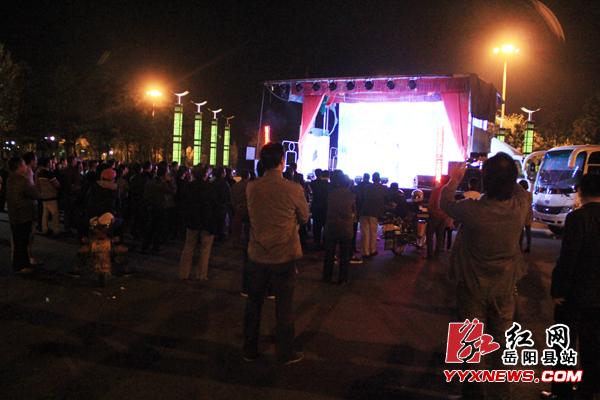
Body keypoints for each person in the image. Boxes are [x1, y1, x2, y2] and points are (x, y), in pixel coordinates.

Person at [440, 152, 529, 400]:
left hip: (472, 285)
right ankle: (501, 391)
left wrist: (454, 179)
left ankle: (474, 392)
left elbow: (445, 203)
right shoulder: (520, 207)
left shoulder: (472, 210)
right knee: (502, 341)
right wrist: (508, 171)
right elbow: (520, 190)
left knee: (471, 340)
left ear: (485, 180)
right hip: (505, 286)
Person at [243, 142, 309, 364]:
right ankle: (285, 352)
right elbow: (305, 217)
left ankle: (249, 349)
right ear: (282, 161)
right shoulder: (293, 189)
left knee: (254, 304)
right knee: (284, 306)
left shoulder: (252, 187)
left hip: (257, 253)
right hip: (284, 254)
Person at [549, 173, 600, 399]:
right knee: (593, 345)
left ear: (580, 191)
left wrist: (558, 290)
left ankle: (562, 392)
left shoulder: (578, 218)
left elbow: (569, 257)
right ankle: (590, 390)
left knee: (564, 345)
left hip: (575, 294)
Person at [179, 165, 218, 281]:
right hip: (207, 221)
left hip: (193, 220)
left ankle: (184, 273)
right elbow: (214, 205)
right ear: (205, 174)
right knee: (205, 249)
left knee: (189, 247)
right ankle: (202, 274)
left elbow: (185, 203)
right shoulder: (210, 187)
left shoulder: (189, 186)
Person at [6, 157, 40, 274]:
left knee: (19, 241)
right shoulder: (22, 180)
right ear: (20, 166)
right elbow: (35, 193)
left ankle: (23, 264)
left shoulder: (10, 178)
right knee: (22, 242)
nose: (26, 167)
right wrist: (34, 183)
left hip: (15, 214)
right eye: (24, 164)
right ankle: (21, 266)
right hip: (24, 215)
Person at [322, 171, 356, 284]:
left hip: (331, 226)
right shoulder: (351, 195)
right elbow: (353, 212)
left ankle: (327, 277)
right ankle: (342, 279)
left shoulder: (330, 194)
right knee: (344, 255)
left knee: (329, 254)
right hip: (345, 228)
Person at [142, 165, 175, 252]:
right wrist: (170, 181)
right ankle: (155, 246)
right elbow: (172, 191)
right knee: (158, 227)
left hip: (151, 207)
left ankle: (145, 246)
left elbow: (145, 195)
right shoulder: (162, 184)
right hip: (160, 207)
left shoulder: (150, 181)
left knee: (150, 227)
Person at [358, 172, 387, 258]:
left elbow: (361, 198)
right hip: (374, 213)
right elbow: (387, 199)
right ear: (379, 179)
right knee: (373, 232)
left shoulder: (367, 187)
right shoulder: (383, 188)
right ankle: (372, 250)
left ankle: (365, 252)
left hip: (364, 212)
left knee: (365, 233)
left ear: (372, 179)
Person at [426, 182, 453, 259]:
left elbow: (430, 204)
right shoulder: (449, 193)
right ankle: (437, 255)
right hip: (443, 218)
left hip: (434, 217)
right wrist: (446, 217)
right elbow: (451, 206)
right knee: (440, 236)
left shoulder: (436, 191)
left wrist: (432, 213)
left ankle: (430, 255)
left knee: (429, 235)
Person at [36, 157, 61, 235]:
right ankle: (56, 230)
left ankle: (45, 229)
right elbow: (57, 184)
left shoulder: (39, 173)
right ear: (47, 164)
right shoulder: (49, 173)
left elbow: (37, 185)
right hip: (51, 196)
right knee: (55, 214)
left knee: (45, 214)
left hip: (44, 196)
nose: (52, 163)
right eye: (50, 162)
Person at [310, 169, 329, 248]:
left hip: (316, 205)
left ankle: (316, 241)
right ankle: (325, 242)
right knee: (325, 225)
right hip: (325, 206)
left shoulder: (313, 183)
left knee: (316, 225)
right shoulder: (327, 184)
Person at [518, 179, 533, 253]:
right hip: (529, 213)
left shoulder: (520, 194)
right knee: (528, 230)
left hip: (522, 213)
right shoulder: (529, 194)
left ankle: (520, 246)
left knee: (521, 231)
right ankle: (528, 246)